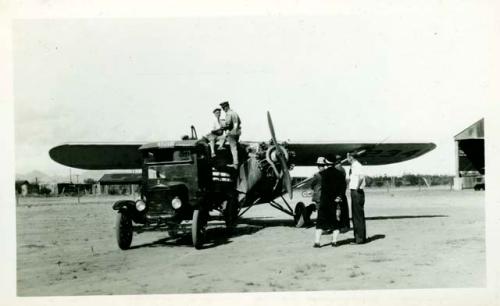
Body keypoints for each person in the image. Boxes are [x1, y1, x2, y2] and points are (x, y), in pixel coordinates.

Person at [312, 157, 347, 248]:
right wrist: (339, 197)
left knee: (320, 222)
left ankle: (317, 242)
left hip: (324, 201)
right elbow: (343, 188)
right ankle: (334, 242)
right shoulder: (340, 174)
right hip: (334, 202)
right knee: (335, 223)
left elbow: (313, 185)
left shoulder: (321, 174)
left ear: (326, 163)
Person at [347, 152, 366, 244]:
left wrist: (357, 187)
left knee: (357, 216)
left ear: (351, 157)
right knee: (356, 215)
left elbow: (361, 177)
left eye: (348, 157)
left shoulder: (357, 165)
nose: (347, 159)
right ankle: (359, 237)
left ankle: (359, 239)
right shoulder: (353, 166)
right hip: (354, 191)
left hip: (357, 192)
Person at [220, 101, 241, 168]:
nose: (223, 110)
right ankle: (221, 145)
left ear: (226, 107)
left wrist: (223, 126)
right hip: (237, 132)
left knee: (233, 148)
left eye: (223, 108)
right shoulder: (235, 113)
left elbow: (228, 124)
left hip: (232, 133)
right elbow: (239, 122)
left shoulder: (229, 114)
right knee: (235, 146)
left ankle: (235, 163)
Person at [334, 155, 350, 232]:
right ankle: (344, 226)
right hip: (341, 192)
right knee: (342, 210)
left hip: (338, 192)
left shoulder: (338, 169)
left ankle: (341, 226)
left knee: (338, 210)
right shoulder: (342, 168)